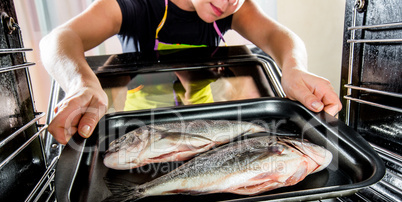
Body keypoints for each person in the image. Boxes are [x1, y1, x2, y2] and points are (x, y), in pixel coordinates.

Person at [40, 0, 342, 145]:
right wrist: (80, 83)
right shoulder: (135, 5)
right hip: (140, 123)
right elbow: (59, 39)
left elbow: (281, 37)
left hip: (203, 117)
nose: (227, 3)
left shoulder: (234, 8)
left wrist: (293, 68)